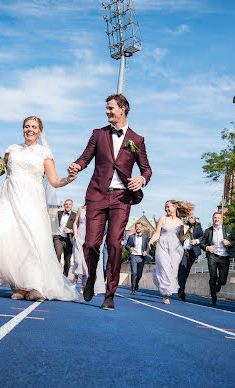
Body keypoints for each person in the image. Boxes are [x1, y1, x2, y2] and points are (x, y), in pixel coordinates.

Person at [68, 94, 152, 310]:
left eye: (110, 108)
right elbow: (85, 157)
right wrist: (76, 166)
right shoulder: (98, 134)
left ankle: (110, 294)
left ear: (123, 109)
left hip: (122, 197)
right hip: (97, 194)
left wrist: (141, 179)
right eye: (106, 108)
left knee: (114, 244)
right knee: (91, 244)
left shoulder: (137, 139)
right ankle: (90, 280)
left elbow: (146, 169)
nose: (107, 112)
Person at [0, 116, 79, 302]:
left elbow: (54, 181)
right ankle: (0, 281)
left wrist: (68, 179)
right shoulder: (12, 150)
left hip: (32, 201)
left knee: (30, 241)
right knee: (3, 236)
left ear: (40, 131)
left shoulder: (44, 153)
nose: (30, 130)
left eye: (34, 127)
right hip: (9, 199)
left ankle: (35, 286)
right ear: (22, 129)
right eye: (27, 126)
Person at [149, 200, 193, 304]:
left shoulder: (180, 222)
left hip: (176, 249)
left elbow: (181, 238)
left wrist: (188, 231)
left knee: (172, 272)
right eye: (165, 207)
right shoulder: (162, 219)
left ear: (175, 207)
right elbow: (157, 233)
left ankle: (167, 292)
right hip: (163, 246)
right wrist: (151, 241)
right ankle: (165, 295)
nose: (166, 209)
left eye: (168, 207)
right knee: (164, 269)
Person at [199, 211, 235, 307]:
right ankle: (213, 298)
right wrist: (207, 248)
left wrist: (229, 243)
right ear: (212, 219)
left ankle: (218, 286)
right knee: (213, 277)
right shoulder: (208, 231)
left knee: (222, 280)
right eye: (215, 218)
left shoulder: (228, 229)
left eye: (218, 218)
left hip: (224, 257)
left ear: (221, 219)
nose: (216, 219)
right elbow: (202, 243)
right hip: (213, 256)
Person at [71, 203, 105, 294]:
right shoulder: (80, 208)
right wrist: (75, 234)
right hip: (79, 237)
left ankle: (83, 285)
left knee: (86, 263)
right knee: (78, 260)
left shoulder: (96, 210)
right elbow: (75, 223)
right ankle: (75, 277)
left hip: (89, 238)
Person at [177, 216, 204, 301]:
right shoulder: (180, 226)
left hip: (192, 252)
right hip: (183, 251)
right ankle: (181, 290)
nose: (188, 219)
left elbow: (202, 237)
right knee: (182, 269)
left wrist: (196, 241)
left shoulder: (197, 227)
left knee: (187, 271)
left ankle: (181, 288)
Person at [125, 222, 150, 295]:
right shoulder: (131, 236)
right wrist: (129, 248)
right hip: (133, 256)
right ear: (135, 228)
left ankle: (136, 283)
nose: (138, 228)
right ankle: (133, 289)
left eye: (139, 227)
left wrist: (146, 252)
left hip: (141, 257)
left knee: (139, 274)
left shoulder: (145, 237)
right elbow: (126, 245)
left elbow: (148, 247)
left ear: (141, 228)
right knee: (134, 273)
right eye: (137, 226)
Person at [53, 199, 76, 277]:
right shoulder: (58, 213)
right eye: (66, 204)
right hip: (58, 238)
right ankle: (56, 275)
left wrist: (71, 230)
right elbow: (54, 224)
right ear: (64, 205)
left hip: (68, 240)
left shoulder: (75, 215)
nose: (68, 206)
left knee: (67, 259)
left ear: (72, 206)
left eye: (69, 204)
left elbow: (78, 228)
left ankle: (65, 276)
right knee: (57, 255)